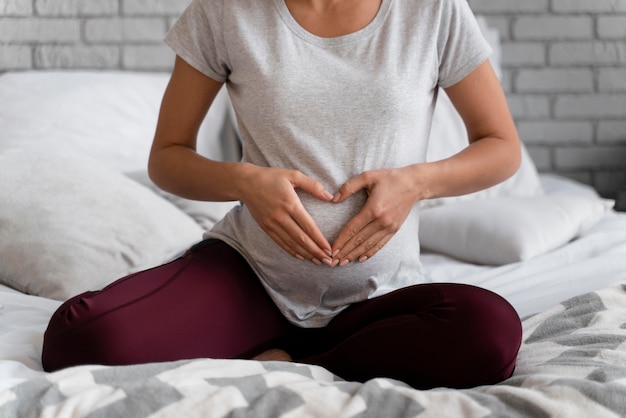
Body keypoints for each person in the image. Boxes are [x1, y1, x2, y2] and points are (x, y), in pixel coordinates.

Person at [42, 0, 523, 389]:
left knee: (491, 334)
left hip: (377, 297)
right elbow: (167, 157)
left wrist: (416, 182)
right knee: (79, 340)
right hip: (250, 278)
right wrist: (245, 181)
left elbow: (501, 146)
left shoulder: (431, 11)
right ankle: (307, 352)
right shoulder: (226, 11)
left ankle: (298, 358)